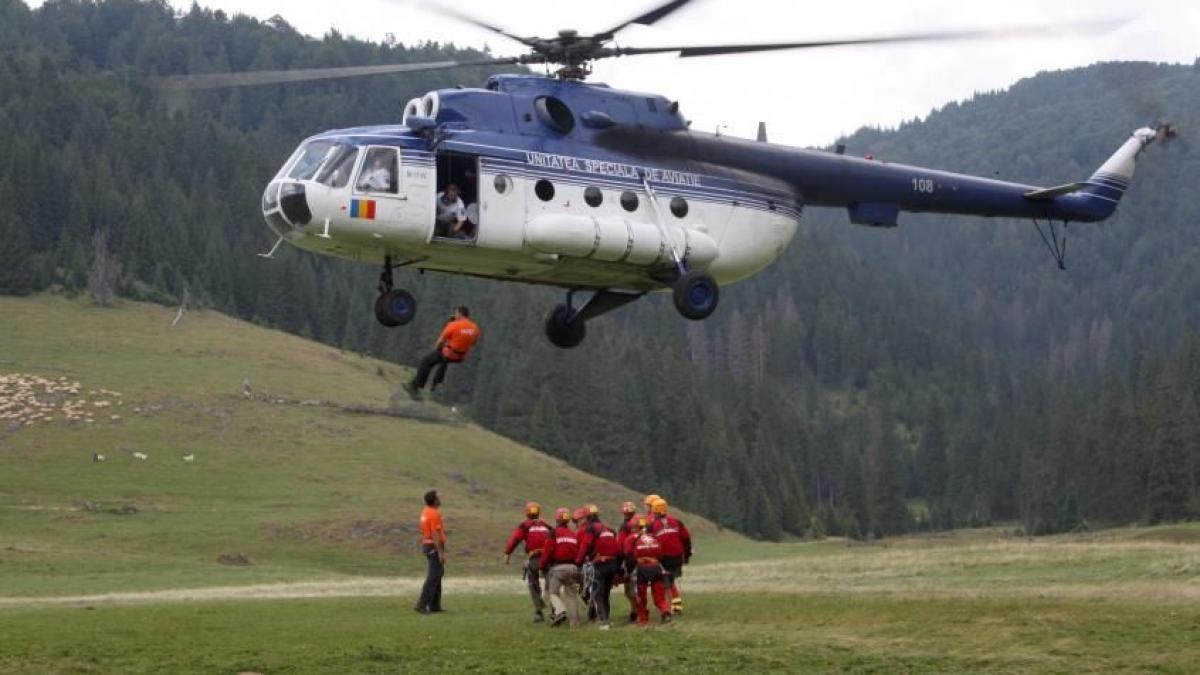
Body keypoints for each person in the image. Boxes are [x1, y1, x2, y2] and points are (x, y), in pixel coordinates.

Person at [404, 306, 480, 398]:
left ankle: (415, 387)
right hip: (461, 357)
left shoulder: (454, 325)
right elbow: (474, 343)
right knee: (443, 361)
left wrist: (437, 349)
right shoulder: (474, 327)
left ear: (459, 314)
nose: (455, 315)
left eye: (456, 313)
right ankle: (435, 383)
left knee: (426, 361)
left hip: (449, 353)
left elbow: (440, 341)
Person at [503, 501, 552, 623]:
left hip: (534, 559)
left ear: (526, 513)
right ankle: (556, 611)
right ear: (539, 512)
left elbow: (515, 539)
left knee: (533, 584)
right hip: (548, 559)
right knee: (551, 585)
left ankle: (539, 612)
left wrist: (507, 553)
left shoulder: (525, 525)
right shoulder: (546, 525)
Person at [575, 504, 620, 630]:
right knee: (605, 594)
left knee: (597, 594)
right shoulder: (608, 529)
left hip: (599, 564)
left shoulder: (591, 529)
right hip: (613, 564)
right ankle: (606, 619)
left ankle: (603, 622)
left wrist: (578, 561)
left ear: (587, 517)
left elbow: (586, 545)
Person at [623, 516, 672, 626]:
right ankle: (666, 612)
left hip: (642, 569)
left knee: (641, 595)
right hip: (656, 567)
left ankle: (644, 619)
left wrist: (629, 572)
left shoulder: (631, 539)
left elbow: (629, 557)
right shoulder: (653, 537)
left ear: (633, 527)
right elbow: (661, 554)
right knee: (659, 595)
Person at [539, 507, 582, 627]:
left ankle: (560, 611)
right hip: (573, 568)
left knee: (552, 593)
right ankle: (575, 624)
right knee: (572, 597)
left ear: (557, 518)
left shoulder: (554, 533)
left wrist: (542, 566)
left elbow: (548, 550)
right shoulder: (573, 534)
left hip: (558, 568)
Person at [650, 497, 692, 615]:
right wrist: (687, 555)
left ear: (655, 511)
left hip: (663, 558)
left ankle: (670, 606)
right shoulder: (677, 522)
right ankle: (676, 604)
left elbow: (649, 541)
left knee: (664, 581)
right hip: (677, 556)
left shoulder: (653, 526)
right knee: (670, 579)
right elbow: (686, 538)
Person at [415, 489, 446, 614]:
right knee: (433, 576)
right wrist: (441, 553)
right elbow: (435, 533)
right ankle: (422, 605)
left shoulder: (425, 511)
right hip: (433, 546)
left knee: (438, 573)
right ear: (434, 500)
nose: (440, 499)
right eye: (438, 497)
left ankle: (435, 605)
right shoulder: (434, 513)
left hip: (427, 545)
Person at [616, 500, 640, 623]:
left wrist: (619, 561)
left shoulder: (625, 526)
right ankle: (635, 610)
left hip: (630, 558)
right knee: (636, 588)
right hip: (645, 555)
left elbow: (620, 544)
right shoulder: (640, 522)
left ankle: (637, 611)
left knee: (629, 589)